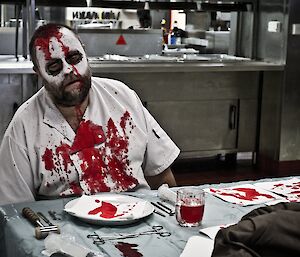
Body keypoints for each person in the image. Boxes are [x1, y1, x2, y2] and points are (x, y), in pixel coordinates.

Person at [0, 23, 180, 205]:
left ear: (85, 53)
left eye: (74, 57)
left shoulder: (123, 98)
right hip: (62, 229)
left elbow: (162, 178)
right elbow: (14, 211)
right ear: (38, 72)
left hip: (137, 220)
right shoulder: (23, 127)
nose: (68, 70)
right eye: (54, 67)